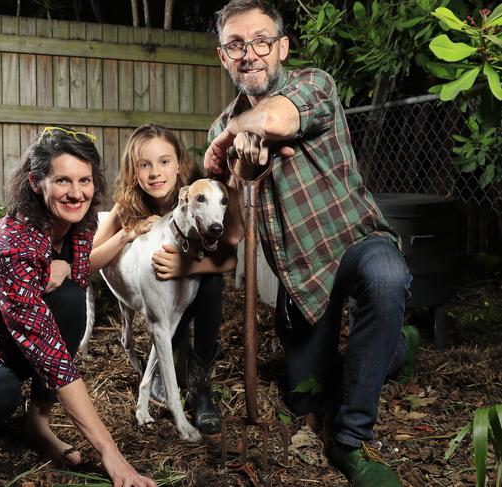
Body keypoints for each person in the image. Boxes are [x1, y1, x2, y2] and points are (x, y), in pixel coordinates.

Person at [204, 1, 419, 486]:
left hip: (356, 242)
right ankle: (392, 349)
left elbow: (277, 120)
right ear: (223, 56)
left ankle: (350, 441)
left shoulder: (313, 84)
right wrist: (241, 173)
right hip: (299, 273)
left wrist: (241, 130)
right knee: (303, 396)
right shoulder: (220, 128)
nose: (250, 54)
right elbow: (234, 234)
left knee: (387, 276)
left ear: (281, 47)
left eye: (261, 40)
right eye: (236, 44)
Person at [0, 126, 156, 487]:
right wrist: (112, 456)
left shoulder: (78, 226)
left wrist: (75, 260)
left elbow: (78, 271)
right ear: (37, 183)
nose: (77, 192)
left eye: (85, 180)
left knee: (69, 301)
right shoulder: (11, 245)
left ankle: (38, 424)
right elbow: (50, 354)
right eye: (63, 180)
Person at [90, 123, 242, 435]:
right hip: (154, 285)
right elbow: (90, 258)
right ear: (134, 171)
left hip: (186, 280)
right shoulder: (128, 204)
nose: (155, 173)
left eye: (164, 162)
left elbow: (229, 258)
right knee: (163, 296)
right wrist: (127, 234)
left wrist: (187, 268)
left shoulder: (200, 192)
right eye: (144, 165)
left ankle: (202, 387)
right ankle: (166, 362)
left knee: (211, 280)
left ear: (179, 164)